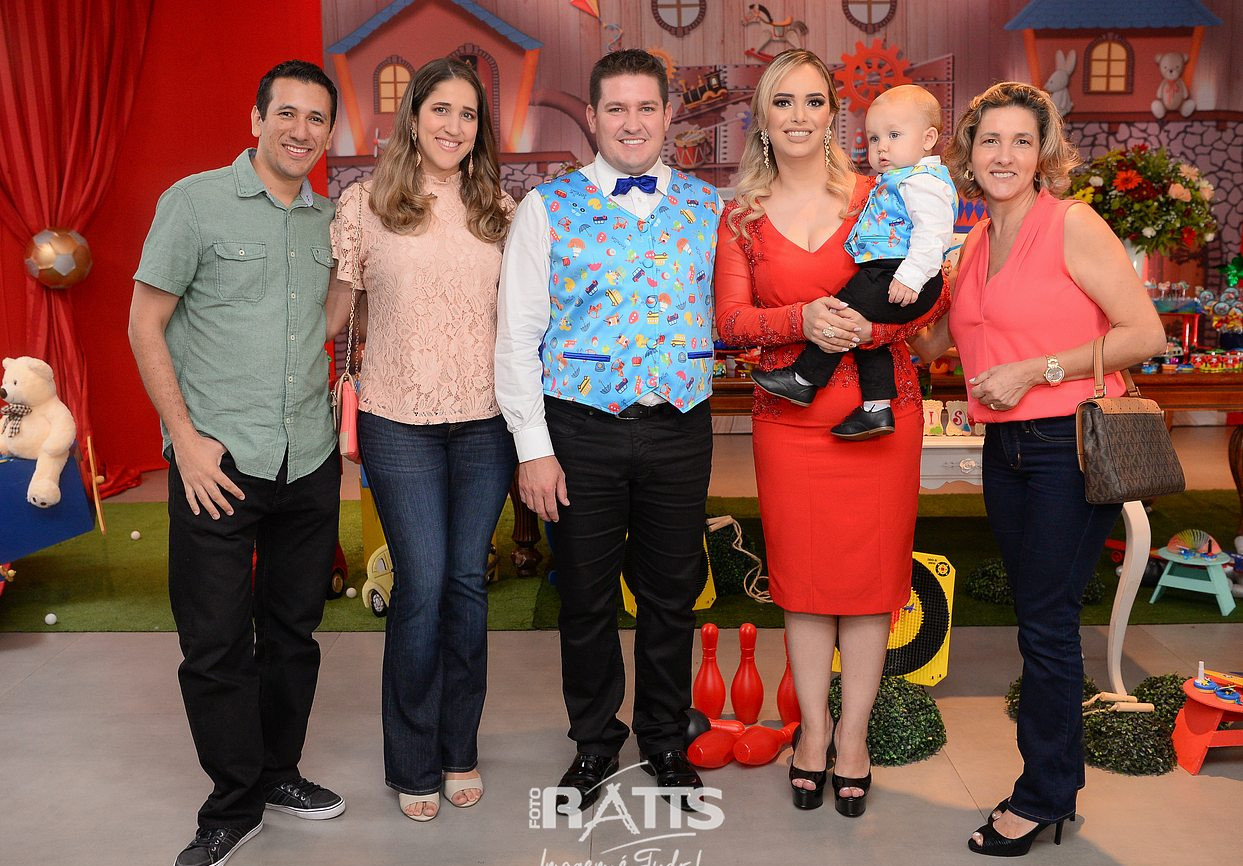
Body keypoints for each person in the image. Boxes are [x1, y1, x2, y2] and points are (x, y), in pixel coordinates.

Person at [909, 82, 1165, 856]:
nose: (1004, 155)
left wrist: (1036, 369)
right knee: (1035, 617)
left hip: (1069, 444)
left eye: (1020, 141)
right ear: (967, 152)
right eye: (989, 140)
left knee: (1046, 625)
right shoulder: (970, 246)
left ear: (1042, 153)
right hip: (1005, 451)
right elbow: (930, 346)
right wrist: (888, 277)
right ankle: (1051, 786)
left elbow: (1143, 333)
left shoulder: (1071, 224)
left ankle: (1043, 796)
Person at [128, 60, 345, 866]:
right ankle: (232, 807)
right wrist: (183, 438)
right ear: (256, 120)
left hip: (307, 456)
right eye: (286, 114)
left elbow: (328, 320)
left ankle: (278, 772)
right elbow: (144, 322)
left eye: (316, 119)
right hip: (216, 462)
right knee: (215, 643)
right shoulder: (193, 203)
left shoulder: (331, 220)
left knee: (292, 634)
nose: (300, 131)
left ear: (329, 133)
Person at [714, 49, 946, 816]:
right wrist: (801, 319)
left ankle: (853, 738)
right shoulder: (740, 217)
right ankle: (811, 733)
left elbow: (929, 292)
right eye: (783, 101)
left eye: (813, 101)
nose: (799, 116)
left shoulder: (881, 193)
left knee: (871, 585)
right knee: (806, 585)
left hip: (879, 418)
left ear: (832, 115)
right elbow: (731, 322)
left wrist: (868, 330)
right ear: (762, 116)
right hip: (789, 421)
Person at [495, 49, 720, 813]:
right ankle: (594, 741)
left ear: (668, 115)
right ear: (591, 117)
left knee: (671, 594)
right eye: (616, 108)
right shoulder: (545, 208)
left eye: (645, 107)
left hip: (679, 427)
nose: (631, 122)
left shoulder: (708, 207)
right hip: (579, 429)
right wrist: (533, 449)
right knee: (586, 598)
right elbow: (516, 335)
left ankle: (663, 738)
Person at [326, 57, 517, 823]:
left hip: (485, 424)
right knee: (423, 583)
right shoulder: (365, 205)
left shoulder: (498, 209)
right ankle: (411, 760)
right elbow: (333, 316)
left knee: (467, 585)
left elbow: (524, 322)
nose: (453, 126)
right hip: (397, 419)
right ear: (412, 116)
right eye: (440, 109)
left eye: (467, 114)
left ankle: (457, 747)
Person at [751, 84, 956, 440]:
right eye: (874, 138)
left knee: (842, 312)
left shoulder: (922, 182)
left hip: (901, 272)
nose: (882, 147)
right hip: (891, 269)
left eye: (894, 135)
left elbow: (933, 234)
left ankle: (803, 379)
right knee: (866, 335)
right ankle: (876, 409)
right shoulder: (895, 180)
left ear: (928, 139)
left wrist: (910, 277)